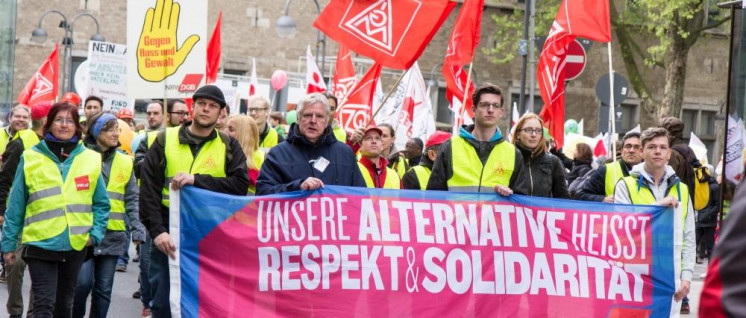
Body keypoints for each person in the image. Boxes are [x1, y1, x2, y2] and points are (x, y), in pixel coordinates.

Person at [139, 85, 249, 318]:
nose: (206, 109)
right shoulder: (163, 140)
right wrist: (158, 231)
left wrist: (197, 180)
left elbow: (240, 186)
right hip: (168, 231)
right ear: (193, 107)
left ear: (221, 113)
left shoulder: (229, 145)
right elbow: (148, 191)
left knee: (207, 299)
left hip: (210, 231)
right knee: (164, 300)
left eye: (213, 106)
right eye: (202, 104)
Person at [1, 102, 110, 318]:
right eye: (58, 120)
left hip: (75, 244)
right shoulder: (31, 157)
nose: (64, 125)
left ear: (77, 127)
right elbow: (16, 206)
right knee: (43, 305)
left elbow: (101, 203)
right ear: (48, 124)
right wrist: (8, 245)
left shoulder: (90, 158)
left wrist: (95, 235)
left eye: (69, 120)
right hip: (40, 243)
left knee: (64, 305)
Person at [613, 127, 695, 316]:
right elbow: (622, 229)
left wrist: (687, 276)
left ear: (669, 153)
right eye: (651, 147)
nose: (658, 151)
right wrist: (657, 207)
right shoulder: (626, 185)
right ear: (642, 152)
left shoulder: (682, 189)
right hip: (634, 276)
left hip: (669, 276)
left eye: (662, 147)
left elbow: (689, 237)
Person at [73, 113, 146, 318]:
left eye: (117, 129)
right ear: (96, 132)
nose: (116, 133)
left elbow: (132, 198)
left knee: (103, 290)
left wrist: (138, 229)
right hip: (84, 233)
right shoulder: (79, 156)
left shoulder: (125, 161)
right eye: (110, 129)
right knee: (82, 284)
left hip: (113, 235)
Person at [427, 83, 528, 195]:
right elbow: (433, 197)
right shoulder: (449, 147)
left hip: (494, 213)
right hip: (458, 213)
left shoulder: (513, 153)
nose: (490, 110)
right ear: (474, 109)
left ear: (501, 112)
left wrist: (509, 195)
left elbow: (521, 202)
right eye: (485, 105)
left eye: (495, 105)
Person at [256, 93, 366, 194]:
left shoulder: (345, 154)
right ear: (298, 118)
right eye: (307, 115)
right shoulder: (278, 154)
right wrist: (297, 187)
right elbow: (262, 194)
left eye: (319, 116)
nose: (313, 120)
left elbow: (361, 196)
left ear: (327, 121)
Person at [0, 102, 49, 318]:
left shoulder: (59, 144)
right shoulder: (20, 143)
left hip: (44, 216)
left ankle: (33, 312)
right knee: (15, 264)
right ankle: (15, 311)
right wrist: (2, 211)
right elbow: (4, 180)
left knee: (41, 269)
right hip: (19, 215)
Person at [510, 113, 569, 198]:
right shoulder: (509, 158)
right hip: (515, 210)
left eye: (538, 130)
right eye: (528, 130)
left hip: (542, 211)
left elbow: (563, 199)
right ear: (518, 134)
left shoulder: (553, 162)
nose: (534, 135)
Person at [576, 132, 643, 202]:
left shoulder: (652, 173)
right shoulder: (606, 170)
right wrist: (603, 199)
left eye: (636, 147)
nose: (631, 150)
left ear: (643, 151)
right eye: (628, 146)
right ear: (621, 151)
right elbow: (581, 195)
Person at [227, 115, 264, 194]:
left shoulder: (263, 158)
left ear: (244, 133)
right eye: (226, 128)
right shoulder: (225, 153)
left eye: (231, 129)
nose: (225, 132)